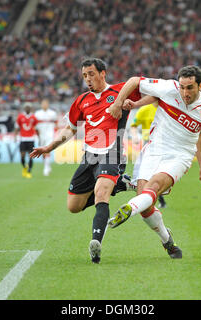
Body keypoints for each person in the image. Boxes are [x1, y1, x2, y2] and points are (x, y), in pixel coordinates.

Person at [30, 58, 140, 264]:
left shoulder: (119, 92)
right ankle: (121, 184)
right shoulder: (81, 101)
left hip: (113, 152)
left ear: (103, 73)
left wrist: (127, 103)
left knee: (100, 193)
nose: (88, 79)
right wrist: (49, 147)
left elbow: (144, 86)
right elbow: (70, 129)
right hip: (90, 155)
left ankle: (96, 244)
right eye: (84, 76)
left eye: (91, 74)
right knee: (73, 206)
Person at [108, 65, 201, 259]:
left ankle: (129, 209)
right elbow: (134, 80)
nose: (185, 92)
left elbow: (199, 133)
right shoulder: (169, 88)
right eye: (182, 87)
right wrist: (118, 104)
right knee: (146, 202)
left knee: (154, 186)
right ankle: (167, 240)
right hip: (153, 150)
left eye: (190, 87)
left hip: (180, 156)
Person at [131, 102, 167, 209]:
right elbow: (134, 125)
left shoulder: (166, 109)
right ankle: (155, 198)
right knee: (152, 172)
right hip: (149, 144)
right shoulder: (144, 110)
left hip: (165, 144)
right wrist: (135, 137)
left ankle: (152, 198)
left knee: (159, 172)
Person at [15, 102, 40, 179]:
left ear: (30, 108)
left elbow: (37, 128)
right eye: (26, 107)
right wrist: (15, 136)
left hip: (31, 139)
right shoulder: (20, 117)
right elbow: (17, 127)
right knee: (22, 156)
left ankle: (29, 171)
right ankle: (24, 167)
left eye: (28, 107)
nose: (27, 108)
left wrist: (39, 137)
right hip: (22, 139)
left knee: (30, 156)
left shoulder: (33, 117)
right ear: (24, 108)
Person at [34, 99, 58, 176]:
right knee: (42, 151)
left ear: (48, 104)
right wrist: (37, 133)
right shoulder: (37, 114)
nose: (44, 105)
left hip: (49, 134)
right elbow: (34, 125)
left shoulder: (52, 113)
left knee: (47, 150)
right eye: (43, 104)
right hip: (41, 135)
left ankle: (46, 168)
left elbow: (56, 123)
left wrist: (55, 132)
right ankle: (47, 165)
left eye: (46, 104)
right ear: (41, 105)